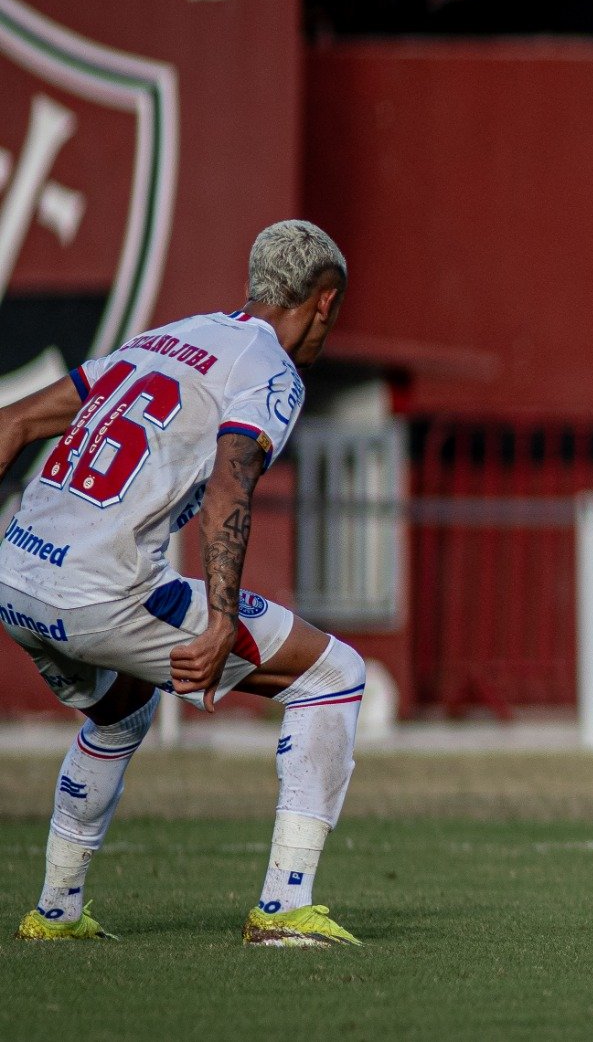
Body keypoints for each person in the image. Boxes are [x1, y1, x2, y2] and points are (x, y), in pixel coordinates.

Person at [5, 220, 366, 946]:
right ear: (323, 302)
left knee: (123, 709)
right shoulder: (268, 368)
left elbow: (12, 423)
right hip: (101, 591)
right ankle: (285, 908)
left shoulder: (170, 337)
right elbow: (232, 489)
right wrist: (222, 620)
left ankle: (55, 912)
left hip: (16, 574)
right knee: (332, 675)